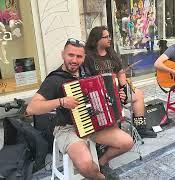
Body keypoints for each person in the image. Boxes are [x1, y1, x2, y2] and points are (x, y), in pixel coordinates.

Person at [26, 38, 134, 179]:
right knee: (86, 165)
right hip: (68, 128)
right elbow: (31, 108)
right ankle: (99, 176)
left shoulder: (87, 72)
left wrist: (117, 97)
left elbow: (101, 97)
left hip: (92, 123)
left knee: (127, 142)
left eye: (79, 56)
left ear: (83, 58)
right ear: (63, 54)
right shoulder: (54, 80)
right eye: (71, 55)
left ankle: (101, 164)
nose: (74, 60)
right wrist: (61, 101)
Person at [83, 26, 157, 138]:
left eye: (109, 36)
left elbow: (121, 73)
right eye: (106, 37)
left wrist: (123, 90)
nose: (109, 39)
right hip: (98, 96)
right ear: (97, 39)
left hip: (115, 91)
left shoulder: (111, 53)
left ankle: (140, 128)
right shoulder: (88, 57)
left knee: (138, 95)